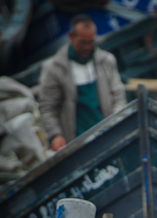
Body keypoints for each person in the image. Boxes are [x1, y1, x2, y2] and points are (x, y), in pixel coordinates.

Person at [39, 14, 127, 152]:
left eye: (91, 42)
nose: (87, 47)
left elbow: (118, 95)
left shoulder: (106, 60)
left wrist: (116, 120)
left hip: (108, 137)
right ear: (71, 37)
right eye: (82, 42)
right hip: (76, 144)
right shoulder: (54, 68)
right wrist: (55, 135)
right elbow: (47, 108)